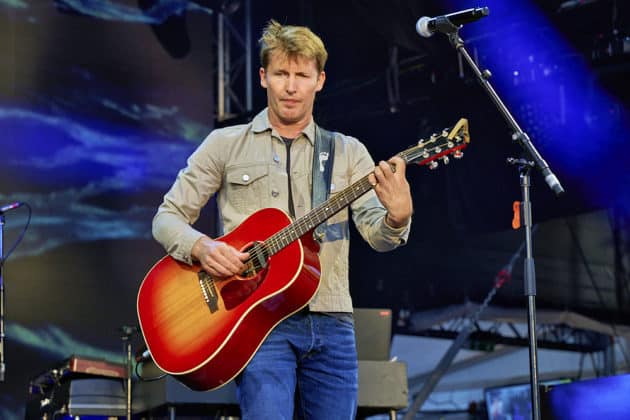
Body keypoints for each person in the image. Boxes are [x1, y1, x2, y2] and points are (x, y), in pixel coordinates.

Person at [152, 19, 413, 419]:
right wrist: (203, 248)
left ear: (319, 80)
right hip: (259, 323)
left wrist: (398, 217)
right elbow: (167, 219)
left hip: (333, 321)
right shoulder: (225, 144)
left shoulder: (347, 152)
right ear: (263, 77)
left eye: (302, 75)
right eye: (281, 74)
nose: (291, 86)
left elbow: (377, 236)